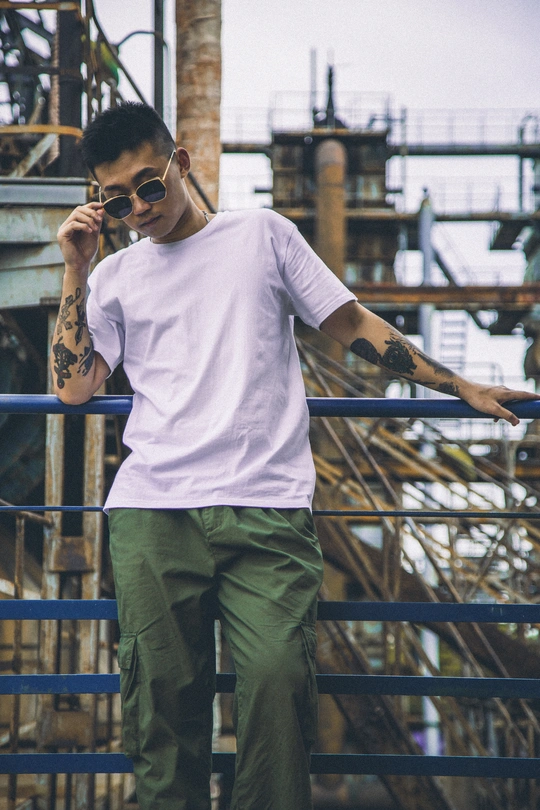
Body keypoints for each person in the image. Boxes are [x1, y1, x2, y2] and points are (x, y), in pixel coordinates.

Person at [52, 102, 538, 810]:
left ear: (180, 163)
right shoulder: (115, 276)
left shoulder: (261, 235)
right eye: (118, 199)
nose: (139, 208)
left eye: (149, 185)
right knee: (160, 710)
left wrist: (456, 383)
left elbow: (352, 322)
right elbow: (73, 387)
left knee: (279, 688)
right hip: (154, 513)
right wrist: (76, 267)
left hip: (267, 511)